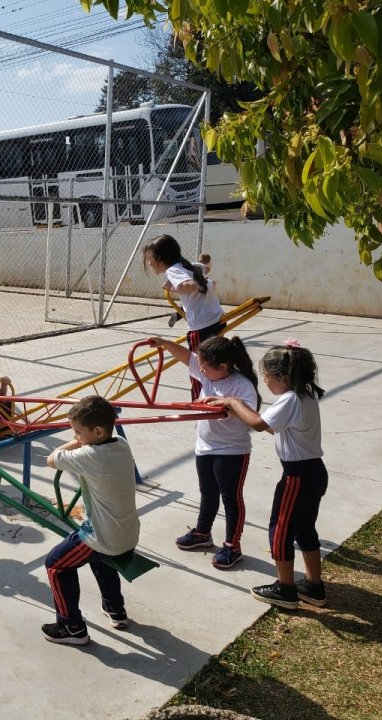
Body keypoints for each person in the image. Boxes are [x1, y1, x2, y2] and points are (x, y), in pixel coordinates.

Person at [205, 341, 328, 610]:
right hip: (315, 472)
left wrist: (232, 402)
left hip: (296, 477)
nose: (266, 383)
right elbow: (279, 428)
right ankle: (314, 586)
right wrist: (239, 409)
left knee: (280, 531)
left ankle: (286, 589)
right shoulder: (305, 396)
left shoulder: (289, 399)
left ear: (282, 377)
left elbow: (259, 425)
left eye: (267, 377)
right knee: (305, 528)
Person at [148, 334, 260, 569]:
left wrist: (228, 403)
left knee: (231, 497)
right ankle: (202, 533)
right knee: (207, 492)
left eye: (205, 366)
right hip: (205, 446)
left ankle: (232, 546)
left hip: (231, 450)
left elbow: (252, 418)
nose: (200, 369)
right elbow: (187, 357)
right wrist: (165, 343)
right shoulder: (208, 374)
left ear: (223, 366)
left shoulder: (241, 385)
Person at [42, 395, 141, 645]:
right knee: (100, 558)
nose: (76, 437)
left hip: (103, 536)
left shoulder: (90, 456)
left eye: (77, 432)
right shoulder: (120, 444)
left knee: (55, 564)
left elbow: (52, 459)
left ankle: (71, 627)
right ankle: (115, 608)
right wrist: (81, 438)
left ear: (97, 431)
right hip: (126, 534)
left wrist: (74, 443)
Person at [143, 234, 222, 399]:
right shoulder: (189, 265)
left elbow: (190, 286)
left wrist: (173, 287)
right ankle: (215, 392)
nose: (149, 262)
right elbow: (205, 269)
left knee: (197, 366)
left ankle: (199, 400)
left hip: (200, 326)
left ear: (160, 258)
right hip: (215, 317)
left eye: (150, 258)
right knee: (211, 362)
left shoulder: (172, 270)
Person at [169, 252, 213, 328]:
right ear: (208, 262)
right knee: (199, 305)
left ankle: (177, 315)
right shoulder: (204, 267)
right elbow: (206, 274)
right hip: (195, 290)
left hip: (186, 288)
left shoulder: (191, 264)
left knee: (186, 306)